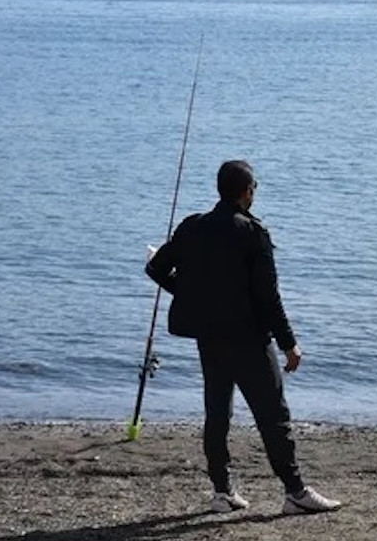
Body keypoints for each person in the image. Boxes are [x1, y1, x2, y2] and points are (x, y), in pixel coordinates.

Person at [145, 160, 341, 516]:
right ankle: (294, 491)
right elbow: (269, 297)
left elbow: (155, 267)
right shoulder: (252, 233)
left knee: (217, 415)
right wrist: (289, 343)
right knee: (274, 415)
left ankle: (222, 491)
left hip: (209, 338)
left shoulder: (192, 227)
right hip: (249, 340)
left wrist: (188, 295)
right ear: (246, 191)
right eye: (254, 188)